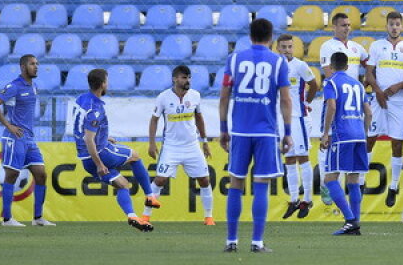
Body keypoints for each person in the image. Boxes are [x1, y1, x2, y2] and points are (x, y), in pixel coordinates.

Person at [219, 17, 292, 253]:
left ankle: (231, 241)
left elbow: (224, 96)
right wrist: (288, 132)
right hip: (266, 132)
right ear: (271, 38)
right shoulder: (279, 62)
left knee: (236, 183)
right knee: (261, 183)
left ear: (250, 36)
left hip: (240, 130)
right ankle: (257, 242)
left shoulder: (235, 59)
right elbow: (286, 100)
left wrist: (223, 128)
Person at [70, 68, 155, 232]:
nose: (108, 84)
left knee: (123, 185)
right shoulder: (95, 108)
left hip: (84, 159)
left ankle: (132, 216)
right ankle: (150, 196)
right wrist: (100, 163)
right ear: (102, 84)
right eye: (107, 81)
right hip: (100, 154)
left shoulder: (81, 99)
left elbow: (81, 130)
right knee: (135, 156)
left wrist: (102, 136)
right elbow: (88, 138)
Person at [0, 54, 54, 227]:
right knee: (12, 175)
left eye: (37, 64)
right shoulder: (14, 86)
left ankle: (38, 218)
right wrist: (8, 125)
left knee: (41, 174)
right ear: (23, 67)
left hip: (29, 138)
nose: (36, 66)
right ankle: (7, 219)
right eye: (32, 64)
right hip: (14, 137)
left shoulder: (33, 86)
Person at [147, 65, 215, 225]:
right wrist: (151, 143)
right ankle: (145, 216)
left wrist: (205, 142)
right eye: (184, 78)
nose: (187, 81)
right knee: (160, 180)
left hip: (192, 145)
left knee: (204, 180)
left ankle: (209, 217)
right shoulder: (163, 97)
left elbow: (199, 119)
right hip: (171, 146)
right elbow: (154, 120)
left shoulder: (195, 96)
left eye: (189, 77)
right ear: (175, 79)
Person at [364, 11, 403, 209]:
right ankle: (361, 181)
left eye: (397, 24)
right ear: (386, 26)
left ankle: (393, 186)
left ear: (402, 26)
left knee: (397, 143)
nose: (394, 27)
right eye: (391, 24)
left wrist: (397, 86)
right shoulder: (377, 46)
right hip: (379, 99)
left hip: (398, 101)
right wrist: (378, 92)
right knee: (370, 138)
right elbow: (369, 72)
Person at [321, 51, 372, 236]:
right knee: (353, 179)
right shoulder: (358, 84)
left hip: (342, 135)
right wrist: (364, 133)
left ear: (331, 67)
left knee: (330, 179)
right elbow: (369, 112)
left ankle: (350, 220)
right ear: (348, 66)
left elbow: (332, 106)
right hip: (359, 135)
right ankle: (355, 223)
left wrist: (326, 133)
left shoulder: (331, 82)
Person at [276, 34, 319, 219]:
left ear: (294, 48)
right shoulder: (275, 67)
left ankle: (307, 199)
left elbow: (314, 85)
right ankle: (294, 200)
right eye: (283, 47)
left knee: (303, 157)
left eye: (290, 47)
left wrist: (306, 103)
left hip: (298, 117)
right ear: (277, 48)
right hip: (282, 119)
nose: (287, 50)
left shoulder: (300, 65)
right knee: (289, 160)